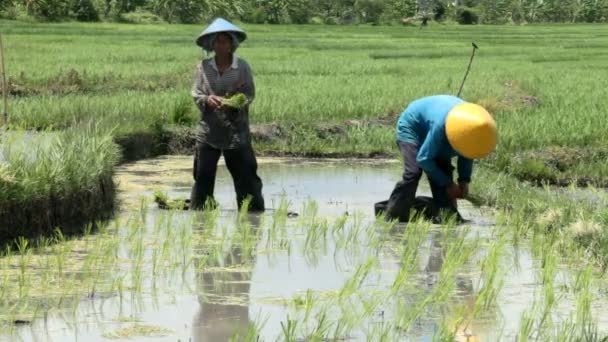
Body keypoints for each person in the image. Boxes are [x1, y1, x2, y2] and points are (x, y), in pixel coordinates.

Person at [378, 95, 497, 223]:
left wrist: (464, 181)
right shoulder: (441, 126)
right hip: (413, 128)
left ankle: (445, 218)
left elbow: (467, 153)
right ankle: (393, 218)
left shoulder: (475, 130)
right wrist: (448, 183)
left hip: (439, 129)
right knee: (413, 173)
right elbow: (423, 158)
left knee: (443, 188)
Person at [190, 18, 264, 211]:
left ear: (232, 44)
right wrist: (208, 100)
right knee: (203, 176)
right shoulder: (203, 67)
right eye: (217, 41)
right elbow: (196, 92)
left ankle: (252, 214)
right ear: (212, 45)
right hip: (208, 130)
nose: (221, 44)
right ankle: (201, 214)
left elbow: (249, 94)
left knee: (246, 176)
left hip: (236, 131)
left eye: (225, 41)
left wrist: (233, 103)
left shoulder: (242, 67)